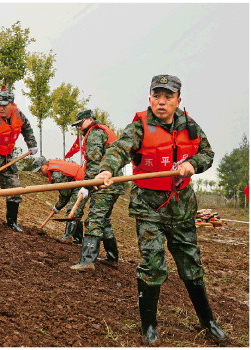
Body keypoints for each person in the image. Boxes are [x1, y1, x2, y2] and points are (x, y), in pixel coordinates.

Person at [95, 75, 226, 344]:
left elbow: (207, 154)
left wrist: (193, 165)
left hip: (181, 207)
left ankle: (208, 321)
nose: (161, 102)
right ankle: (149, 326)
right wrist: (107, 168)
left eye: (168, 97)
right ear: (149, 98)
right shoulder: (139, 126)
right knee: (152, 263)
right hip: (148, 208)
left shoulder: (189, 125)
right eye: (157, 96)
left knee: (191, 264)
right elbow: (119, 149)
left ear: (178, 100)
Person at [69, 109, 125, 271]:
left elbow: (95, 164)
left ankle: (87, 261)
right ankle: (112, 257)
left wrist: (86, 186)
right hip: (114, 183)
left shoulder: (94, 134)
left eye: (80, 124)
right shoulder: (102, 131)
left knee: (94, 220)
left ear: (90, 119)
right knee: (104, 219)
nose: (79, 127)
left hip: (104, 184)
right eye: (77, 125)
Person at [0, 90, 38, 234]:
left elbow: (27, 129)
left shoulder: (19, 114)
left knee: (14, 188)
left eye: (4, 105)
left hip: (7, 156)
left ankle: (12, 222)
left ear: (12, 104)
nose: (1, 108)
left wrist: (32, 144)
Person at [32, 156, 88, 243]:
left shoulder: (56, 175)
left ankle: (67, 237)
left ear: (46, 165)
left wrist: (58, 206)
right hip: (78, 182)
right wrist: (57, 207)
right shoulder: (55, 169)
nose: (40, 173)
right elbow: (66, 192)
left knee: (73, 210)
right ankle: (78, 239)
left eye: (40, 169)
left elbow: (65, 194)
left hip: (83, 184)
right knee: (76, 212)